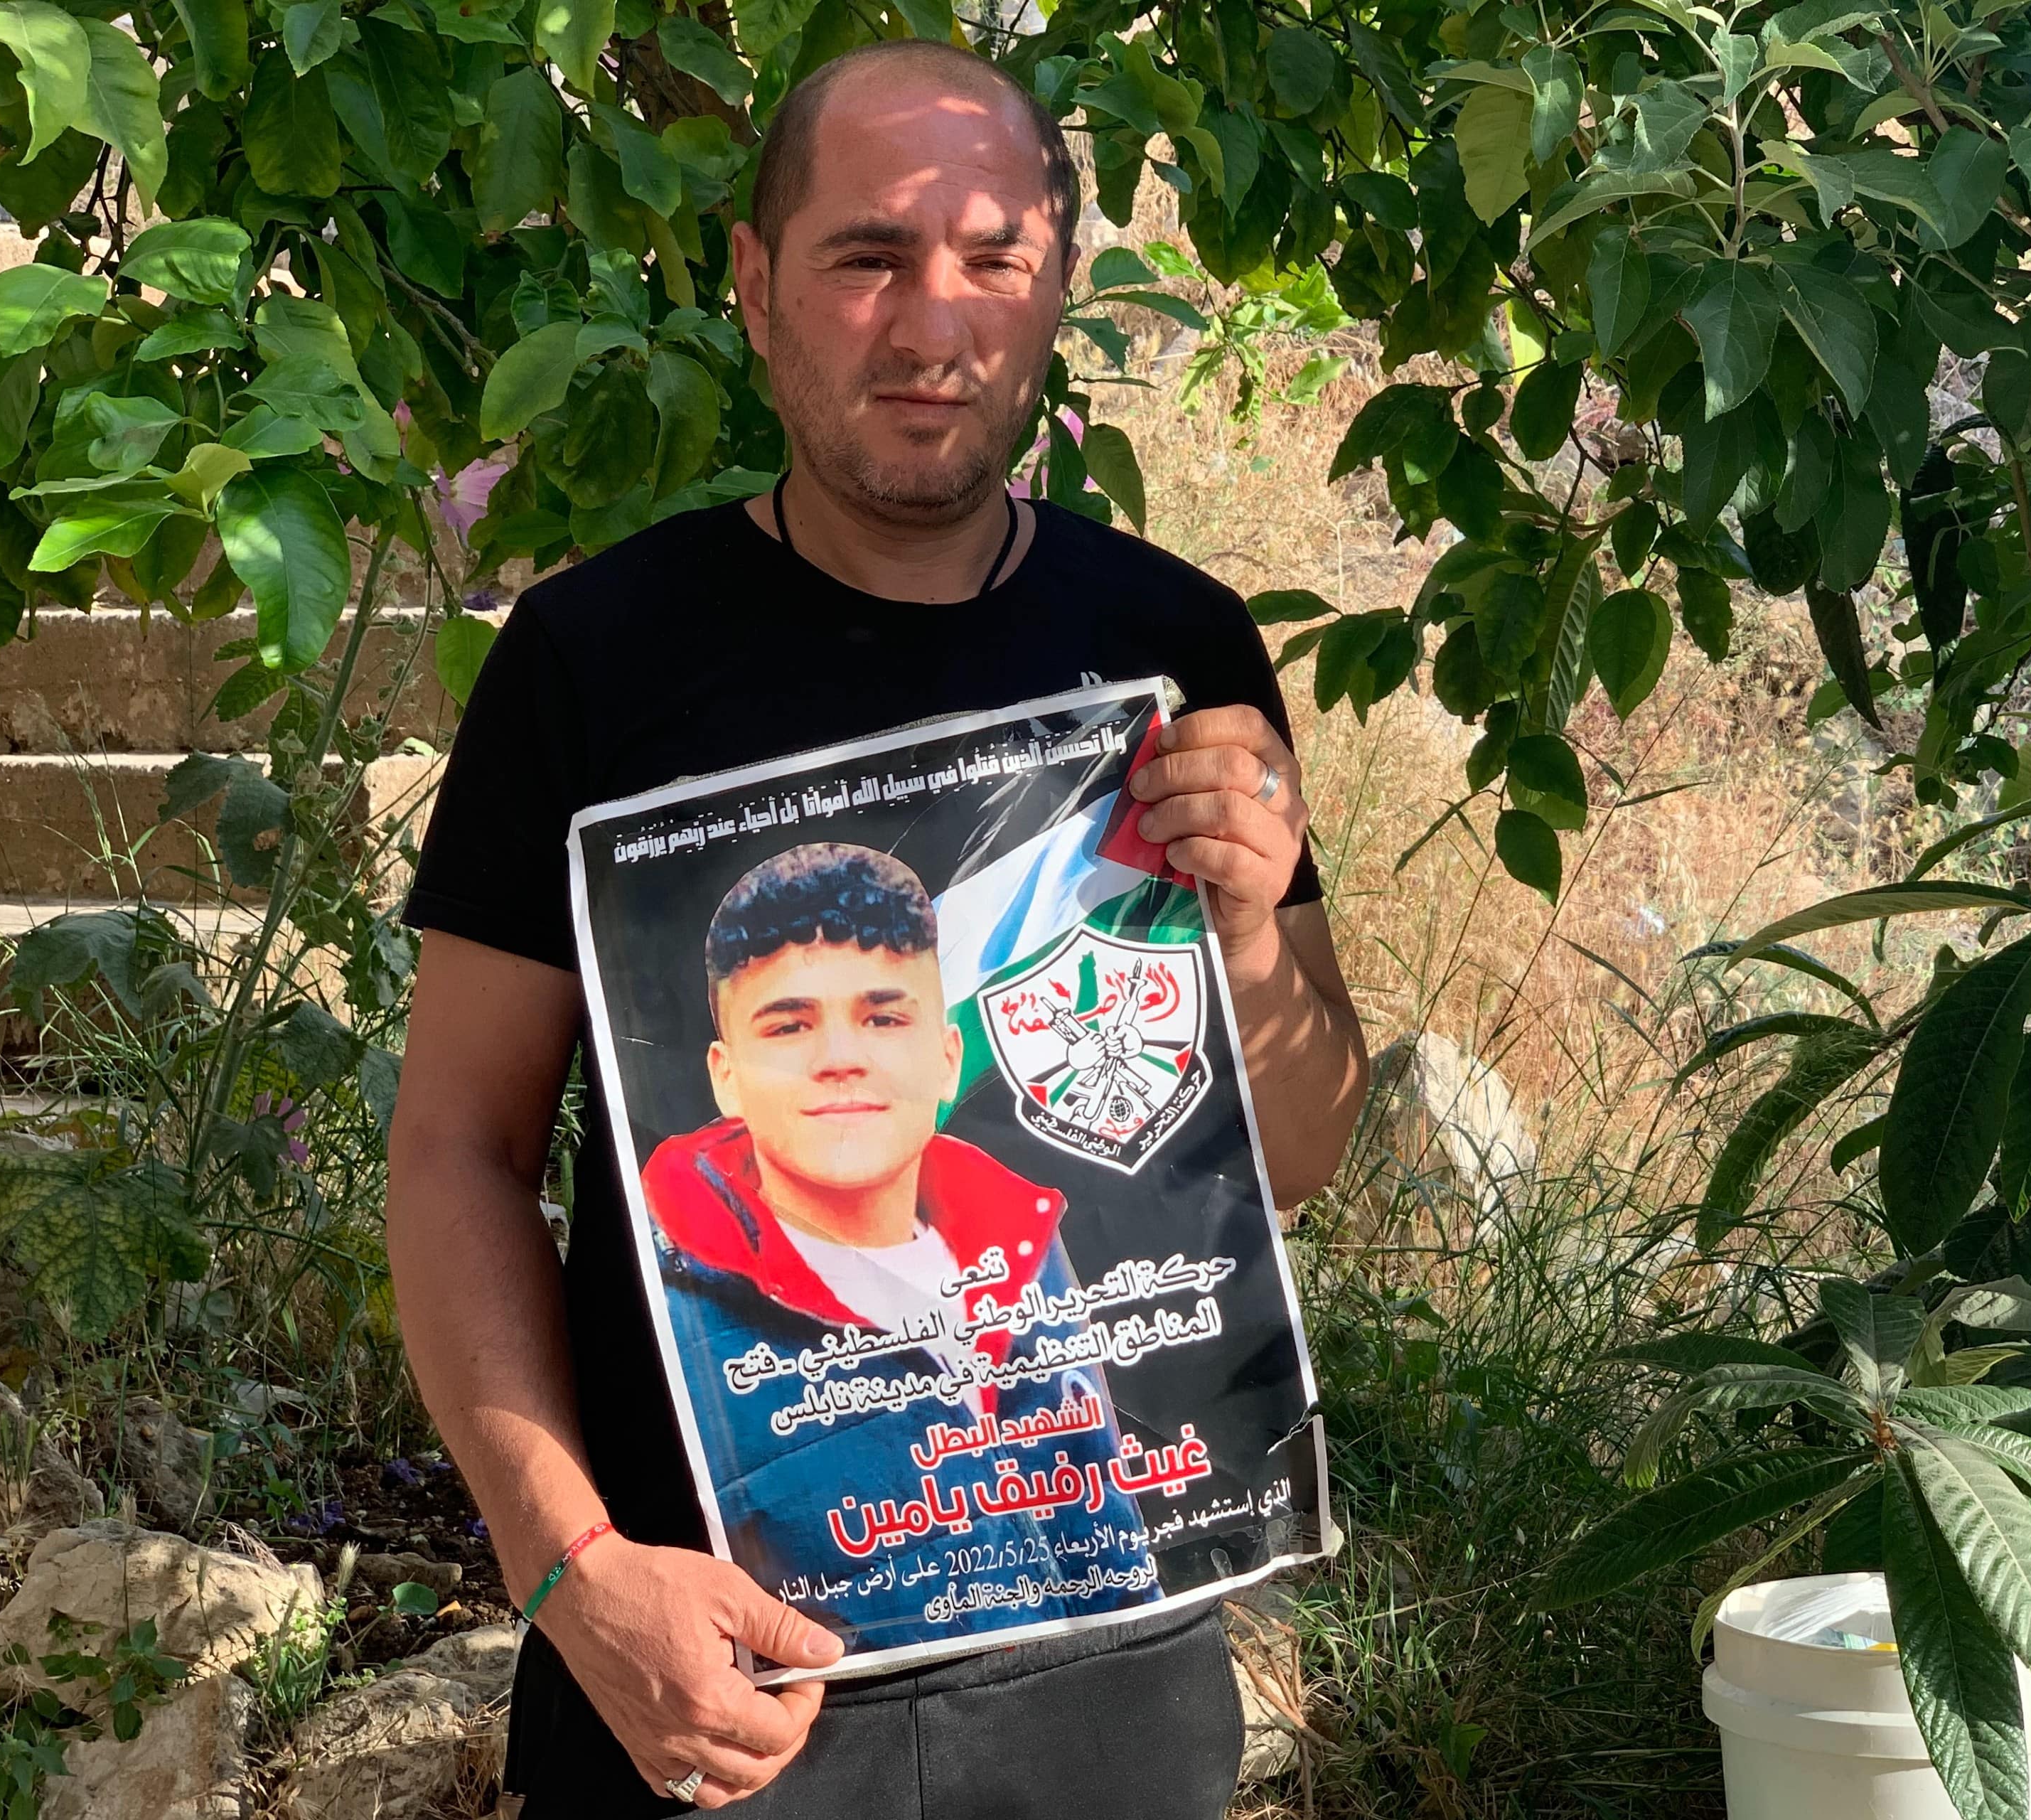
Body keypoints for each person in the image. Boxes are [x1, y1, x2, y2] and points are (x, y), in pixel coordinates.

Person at [385, 36, 1370, 1819]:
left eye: (992, 256)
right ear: (755, 286)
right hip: (703, 1671)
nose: (934, 322)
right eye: (866, 256)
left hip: (1113, 1663)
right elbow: (455, 1145)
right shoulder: (593, 664)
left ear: (1058, 282)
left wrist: (1239, 936)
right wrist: (574, 1572)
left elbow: (1291, 1152)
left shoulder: (1173, 650)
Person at [645, 842, 1157, 1647]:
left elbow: (1104, 1520)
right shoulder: (671, 1290)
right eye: (789, 1025)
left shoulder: (1024, 1243)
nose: (842, 1059)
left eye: (884, 1018)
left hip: (1073, 1722)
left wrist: (1140, 1680)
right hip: (831, 1748)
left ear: (947, 1057)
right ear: (726, 1075)